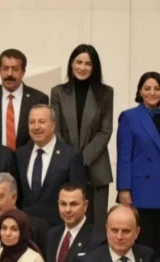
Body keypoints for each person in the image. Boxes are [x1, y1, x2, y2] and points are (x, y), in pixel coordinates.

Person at [117, 71, 160, 258]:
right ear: (140, 91)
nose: (152, 93)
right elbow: (124, 155)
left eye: (157, 88)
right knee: (145, 245)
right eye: (147, 88)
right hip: (141, 191)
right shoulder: (130, 117)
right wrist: (124, 188)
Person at [51, 44, 113, 232]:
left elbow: (105, 131)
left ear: (95, 68)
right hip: (65, 167)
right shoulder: (58, 92)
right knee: (67, 225)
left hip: (96, 169)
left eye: (88, 64)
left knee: (96, 228)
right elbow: (55, 129)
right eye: (78, 62)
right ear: (71, 64)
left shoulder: (106, 93)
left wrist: (81, 160)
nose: (82, 67)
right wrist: (71, 159)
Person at [16, 104, 88, 227]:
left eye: (42, 122)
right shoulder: (21, 154)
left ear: (53, 125)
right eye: (32, 122)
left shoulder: (71, 156)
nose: (36, 127)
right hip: (26, 229)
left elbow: (79, 198)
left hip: (57, 229)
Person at [0, 49, 49, 150]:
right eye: (5, 68)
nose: (9, 74)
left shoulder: (38, 99)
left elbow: (42, 135)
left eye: (15, 69)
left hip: (27, 157)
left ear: (23, 72)